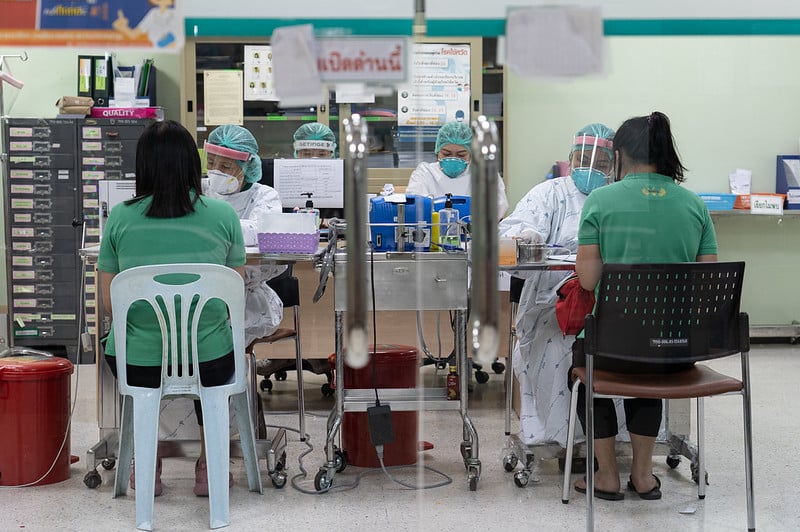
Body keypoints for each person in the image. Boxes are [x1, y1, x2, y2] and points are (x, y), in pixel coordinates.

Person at [574, 111, 718, 501]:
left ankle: (606, 475)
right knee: (649, 364)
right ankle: (642, 475)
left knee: (583, 365)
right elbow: (707, 286)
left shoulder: (601, 201)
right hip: (676, 351)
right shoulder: (695, 205)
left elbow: (587, 281)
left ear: (619, 155)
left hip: (611, 349)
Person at [97, 120, 246, 497]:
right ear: (193, 166)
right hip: (210, 358)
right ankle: (208, 468)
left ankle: (146, 465)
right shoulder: (223, 216)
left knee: (132, 373)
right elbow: (234, 296)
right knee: (211, 375)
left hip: (138, 362)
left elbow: (107, 303)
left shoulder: (119, 218)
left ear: (142, 166)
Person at [497, 123, 616, 449]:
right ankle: (562, 438)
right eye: (581, 159)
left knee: (629, 348)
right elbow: (507, 239)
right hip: (555, 304)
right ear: (570, 159)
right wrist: (522, 238)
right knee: (557, 347)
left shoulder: (619, 199)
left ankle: (622, 442)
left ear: (614, 166)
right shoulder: (549, 194)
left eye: (601, 164)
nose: (590, 169)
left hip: (616, 307)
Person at [204, 124, 284, 347]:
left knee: (229, 349)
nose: (216, 171)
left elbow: (260, 232)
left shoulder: (264, 196)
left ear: (247, 167)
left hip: (248, 299)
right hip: (200, 291)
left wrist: (206, 227)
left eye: (226, 166)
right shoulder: (200, 190)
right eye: (211, 163)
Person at [406, 121, 509, 218]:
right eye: (446, 154)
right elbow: (414, 206)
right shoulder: (425, 172)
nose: (453, 158)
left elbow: (498, 206)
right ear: (438, 151)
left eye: (461, 155)